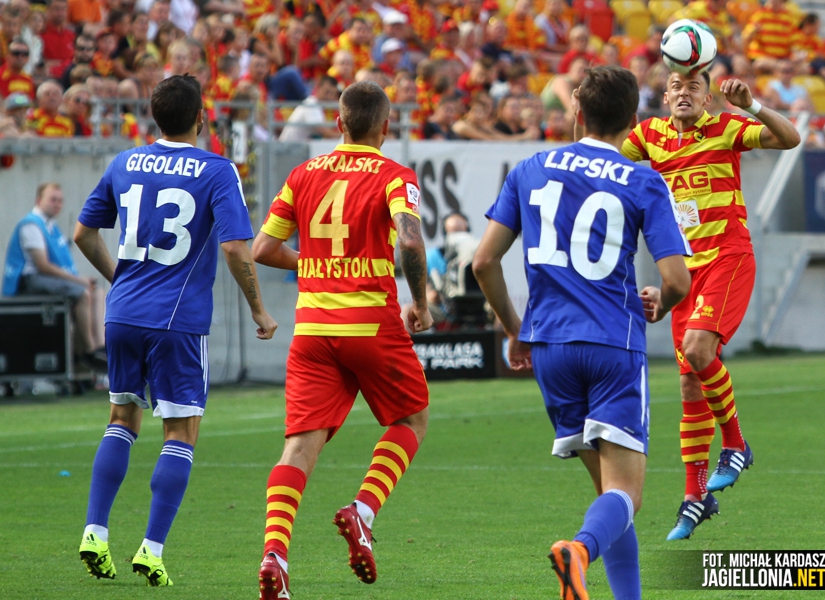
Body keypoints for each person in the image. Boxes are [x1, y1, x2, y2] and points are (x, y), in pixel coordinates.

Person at [472, 65, 692, 600]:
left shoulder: (529, 168)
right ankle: (579, 551)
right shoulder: (643, 180)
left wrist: (516, 329)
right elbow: (677, 280)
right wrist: (661, 304)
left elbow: (482, 263)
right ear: (633, 119)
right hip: (613, 344)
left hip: (550, 347)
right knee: (627, 495)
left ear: (577, 110)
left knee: (608, 496)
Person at [73, 74, 277, 586]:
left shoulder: (125, 162)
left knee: (121, 418)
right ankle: (152, 549)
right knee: (181, 430)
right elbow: (234, 246)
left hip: (122, 313)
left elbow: (83, 233)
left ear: (153, 116)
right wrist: (258, 309)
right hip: (177, 321)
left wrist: (120, 281)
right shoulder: (217, 169)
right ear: (201, 118)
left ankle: (94, 531)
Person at [251, 81, 431, 599]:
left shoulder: (303, 174)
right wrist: (420, 303)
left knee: (298, 446)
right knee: (411, 418)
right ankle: (363, 510)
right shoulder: (395, 175)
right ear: (386, 127)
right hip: (370, 324)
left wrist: (312, 264)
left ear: (339, 123)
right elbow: (410, 242)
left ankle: (275, 554)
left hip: (312, 329)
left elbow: (263, 249)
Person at [621, 69, 800, 540]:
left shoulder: (725, 126)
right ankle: (695, 496)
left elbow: (790, 138)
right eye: (676, 87)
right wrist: (584, 116)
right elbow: (599, 159)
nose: (684, 93)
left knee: (699, 351)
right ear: (664, 97)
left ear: (707, 98)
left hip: (728, 257)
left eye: (694, 87)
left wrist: (751, 105)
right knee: (688, 385)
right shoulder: (648, 136)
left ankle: (737, 444)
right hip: (684, 272)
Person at [2, 182, 106, 370]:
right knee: (83, 293)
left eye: (60, 201)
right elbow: (43, 266)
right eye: (53, 200)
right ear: (38, 200)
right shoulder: (31, 225)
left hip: (48, 279)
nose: (57, 204)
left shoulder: (51, 226)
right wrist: (80, 281)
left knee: (98, 292)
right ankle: (88, 351)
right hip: (31, 280)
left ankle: (101, 346)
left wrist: (82, 281)